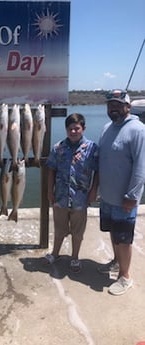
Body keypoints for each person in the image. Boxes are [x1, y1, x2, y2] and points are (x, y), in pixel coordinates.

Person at [97, 89, 145, 295]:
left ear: (128, 106)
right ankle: (117, 262)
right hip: (107, 196)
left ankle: (125, 276)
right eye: (110, 105)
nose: (113, 108)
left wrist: (133, 196)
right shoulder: (107, 127)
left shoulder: (138, 130)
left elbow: (141, 167)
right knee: (113, 233)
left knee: (124, 239)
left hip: (125, 198)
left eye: (118, 105)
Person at [45, 113, 98, 273]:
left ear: (83, 128)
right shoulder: (58, 148)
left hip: (80, 199)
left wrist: (93, 191)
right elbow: (51, 171)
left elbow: (97, 172)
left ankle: (75, 257)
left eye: (77, 128)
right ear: (66, 130)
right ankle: (55, 253)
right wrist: (50, 192)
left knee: (78, 231)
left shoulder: (92, 148)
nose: (73, 132)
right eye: (70, 129)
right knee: (59, 229)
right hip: (60, 197)